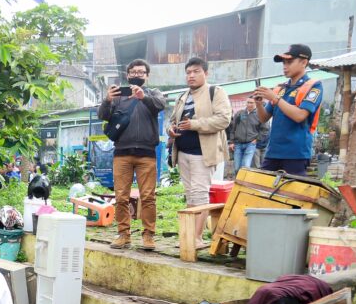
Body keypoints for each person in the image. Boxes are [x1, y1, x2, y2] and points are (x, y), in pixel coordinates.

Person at [98, 58, 167, 250]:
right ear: (127, 75)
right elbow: (102, 115)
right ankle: (123, 234)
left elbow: (160, 105)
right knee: (121, 196)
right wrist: (107, 100)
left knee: (148, 196)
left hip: (147, 154)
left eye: (141, 72)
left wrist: (143, 97)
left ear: (147, 76)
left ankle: (148, 235)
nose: (137, 75)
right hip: (122, 153)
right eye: (134, 72)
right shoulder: (119, 95)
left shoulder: (153, 93)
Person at [168, 57, 231, 248]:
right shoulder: (182, 96)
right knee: (190, 195)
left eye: (196, 71)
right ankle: (189, 237)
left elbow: (224, 119)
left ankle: (197, 238)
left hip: (204, 153)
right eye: (188, 72)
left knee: (200, 194)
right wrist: (171, 129)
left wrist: (194, 124)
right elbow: (173, 120)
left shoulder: (215, 92)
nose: (191, 75)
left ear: (206, 73)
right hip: (183, 151)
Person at [254, 44, 324, 177]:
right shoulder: (280, 88)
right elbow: (264, 118)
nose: (285, 66)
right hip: (273, 151)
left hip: (295, 153)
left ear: (304, 62)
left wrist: (275, 98)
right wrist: (258, 104)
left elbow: (300, 116)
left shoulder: (314, 86)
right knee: (262, 186)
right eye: (284, 63)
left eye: (289, 62)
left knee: (292, 189)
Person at [229, 100, 264, 174]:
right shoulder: (239, 113)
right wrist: (231, 142)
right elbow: (233, 128)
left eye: (251, 103)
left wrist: (257, 139)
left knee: (245, 167)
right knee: (236, 168)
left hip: (250, 144)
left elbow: (264, 129)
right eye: (248, 102)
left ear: (255, 103)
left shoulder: (259, 114)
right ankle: (237, 180)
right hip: (238, 144)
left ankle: (243, 181)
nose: (249, 104)